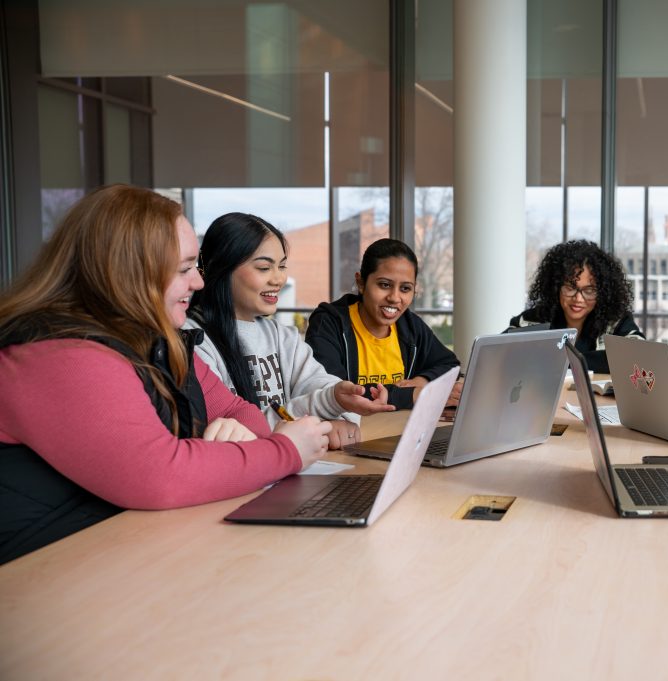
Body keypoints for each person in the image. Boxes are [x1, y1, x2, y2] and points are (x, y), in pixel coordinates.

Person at [0, 185, 331, 564]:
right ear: (129, 272)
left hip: (118, 557)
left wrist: (235, 446)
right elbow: (161, 477)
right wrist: (285, 451)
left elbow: (247, 416)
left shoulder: (162, 342)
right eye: (185, 269)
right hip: (37, 578)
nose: (199, 283)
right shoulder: (57, 355)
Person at [184, 213, 395, 450]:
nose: (279, 279)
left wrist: (340, 414)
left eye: (282, 266)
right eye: (264, 267)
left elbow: (324, 386)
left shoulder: (281, 336)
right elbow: (238, 434)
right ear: (220, 269)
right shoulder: (192, 341)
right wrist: (326, 408)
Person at [305, 238, 460, 410]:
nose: (394, 297)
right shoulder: (328, 323)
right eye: (384, 285)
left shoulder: (409, 324)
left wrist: (422, 381)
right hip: (351, 432)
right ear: (361, 283)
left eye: (405, 288)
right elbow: (333, 392)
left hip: (397, 430)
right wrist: (416, 394)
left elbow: (450, 365)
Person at [506, 239, 644, 373]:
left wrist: (558, 360)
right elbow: (498, 354)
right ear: (556, 287)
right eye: (570, 288)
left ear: (602, 293)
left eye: (589, 291)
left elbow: (639, 356)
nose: (578, 298)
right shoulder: (531, 321)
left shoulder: (616, 321)